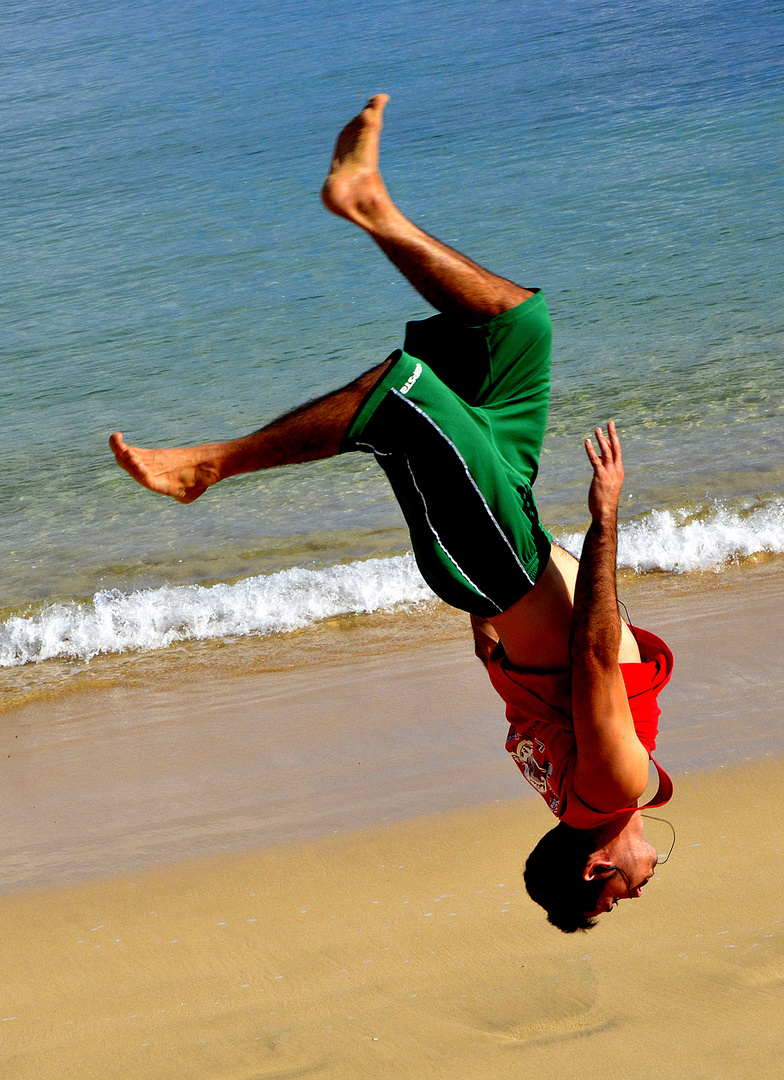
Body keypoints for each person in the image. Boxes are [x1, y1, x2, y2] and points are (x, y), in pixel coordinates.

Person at [110, 95, 673, 932]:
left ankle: (206, 467)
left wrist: (606, 518)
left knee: (398, 395)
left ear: (597, 867)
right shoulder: (561, 786)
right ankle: (369, 204)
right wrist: (491, 599)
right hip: (499, 552)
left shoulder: (611, 790)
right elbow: (514, 675)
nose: (647, 874)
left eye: (628, 887)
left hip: (502, 554)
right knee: (516, 329)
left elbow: (593, 657)